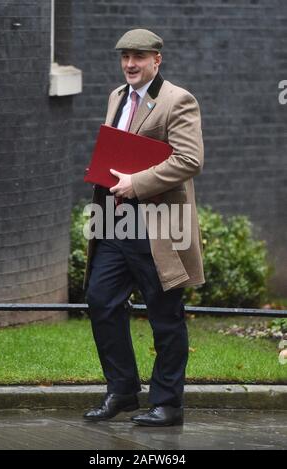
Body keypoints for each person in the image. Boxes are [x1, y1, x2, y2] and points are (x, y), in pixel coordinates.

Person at [83, 29, 205, 426]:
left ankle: (168, 404)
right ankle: (122, 391)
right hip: (116, 222)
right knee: (101, 299)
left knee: (164, 314)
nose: (130, 64)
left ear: (157, 60)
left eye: (138, 57)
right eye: (125, 57)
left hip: (158, 228)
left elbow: (189, 159)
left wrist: (138, 182)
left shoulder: (177, 100)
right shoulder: (117, 97)